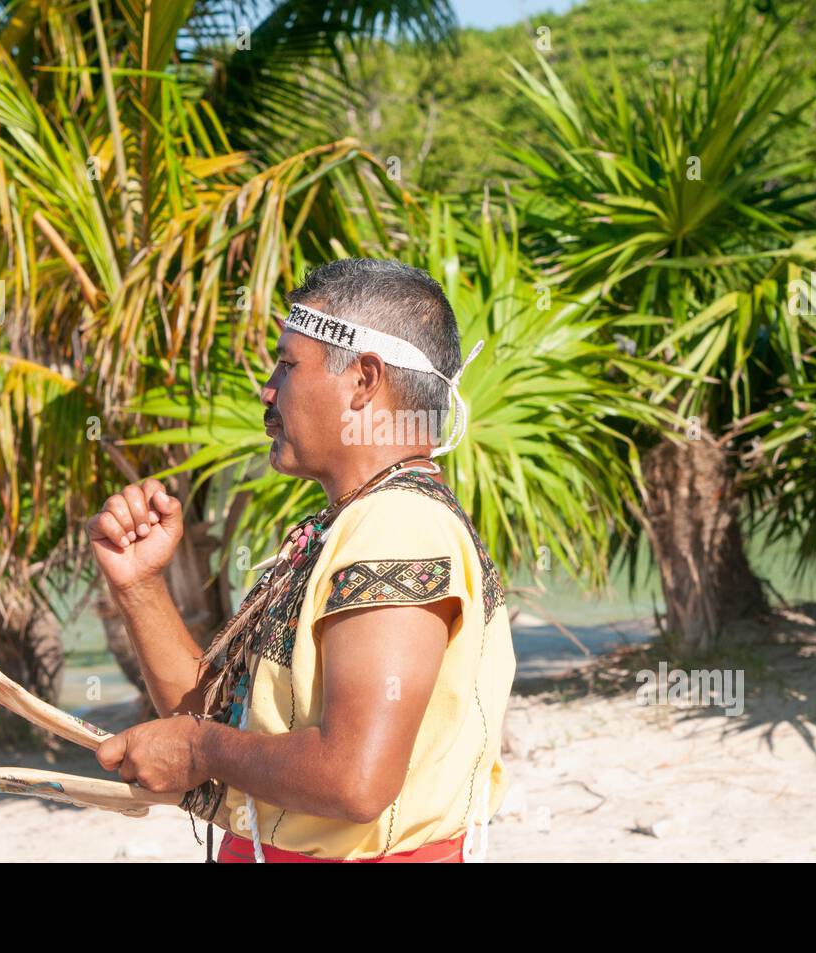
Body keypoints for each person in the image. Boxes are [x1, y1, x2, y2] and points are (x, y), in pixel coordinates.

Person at [88, 258, 515, 862]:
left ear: (364, 380)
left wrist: (202, 751)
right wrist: (140, 585)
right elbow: (215, 720)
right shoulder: (352, 523)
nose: (267, 389)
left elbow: (355, 778)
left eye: (287, 366)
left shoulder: (398, 526)